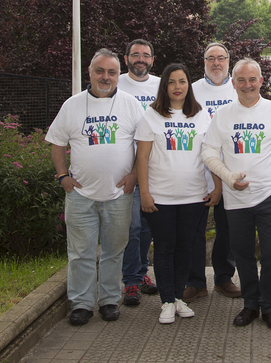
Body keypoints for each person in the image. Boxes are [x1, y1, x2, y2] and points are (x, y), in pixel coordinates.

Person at [46, 49, 142, 326]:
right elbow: (56, 143)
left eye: (112, 72)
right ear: (89, 72)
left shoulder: (131, 104)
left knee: (114, 251)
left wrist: (135, 173)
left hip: (118, 195)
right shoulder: (72, 105)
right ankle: (82, 304)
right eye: (100, 71)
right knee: (80, 252)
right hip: (79, 195)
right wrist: (63, 176)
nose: (106, 77)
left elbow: (144, 144)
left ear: (118, 75)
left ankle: (110, 300)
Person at [201, 58, 271, 330]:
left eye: (252, 79)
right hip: (236, 200)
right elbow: (208, 152)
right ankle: (250, 304)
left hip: (270, 198)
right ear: (233, 84)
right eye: (241, 80)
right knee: (242, 255)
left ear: (261, 82)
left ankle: (270, 307)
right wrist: (228, 178)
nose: (247, 85)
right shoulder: (222, 115)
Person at [136, 63, 215, 324]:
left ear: (189, 85)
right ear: (164, 86)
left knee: (185, 249)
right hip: (161, 198)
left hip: (194, 197)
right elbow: (143, 157)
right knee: (165, 248)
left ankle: (179, 297)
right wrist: (144, 193)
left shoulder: (201, 115)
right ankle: (166, 301)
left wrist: (218, 187)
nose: (177, 87)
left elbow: (211, 154)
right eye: (172, 82)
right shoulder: (152, 115)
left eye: (182, 81)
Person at [184, 42, 241, 302]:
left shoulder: (239, 88)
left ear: (229, 61)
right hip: (195, 172)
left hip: (228, 173)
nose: (216, 63)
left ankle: (223, 278)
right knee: (193, 230)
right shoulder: (190, 91)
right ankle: (195, 281)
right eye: (211, 58)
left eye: (221, 58)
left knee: (227, 230)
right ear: (203, 62)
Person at [118, 39, 160, 306]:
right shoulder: (117, 84)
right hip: (129, 169)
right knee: (132, 226)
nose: (140, 59)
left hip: (158, 168)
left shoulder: (161, 85)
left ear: (153, 60)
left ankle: (141, 271)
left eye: (145, 55)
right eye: (135, 55)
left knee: (147, 227)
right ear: (126, 59)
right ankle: (131, 280)